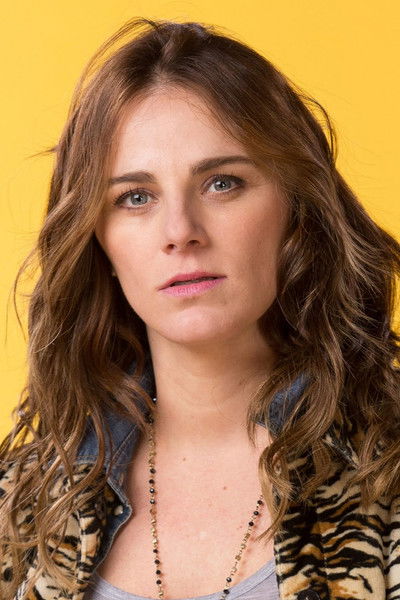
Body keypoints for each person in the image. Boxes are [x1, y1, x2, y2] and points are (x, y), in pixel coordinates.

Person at [0, 17, 399, 600]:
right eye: (136, 197)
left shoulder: (387, 471)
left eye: (222, 183)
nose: (180, 231)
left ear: (297, 208)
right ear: (98, 240)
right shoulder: (24, 506)